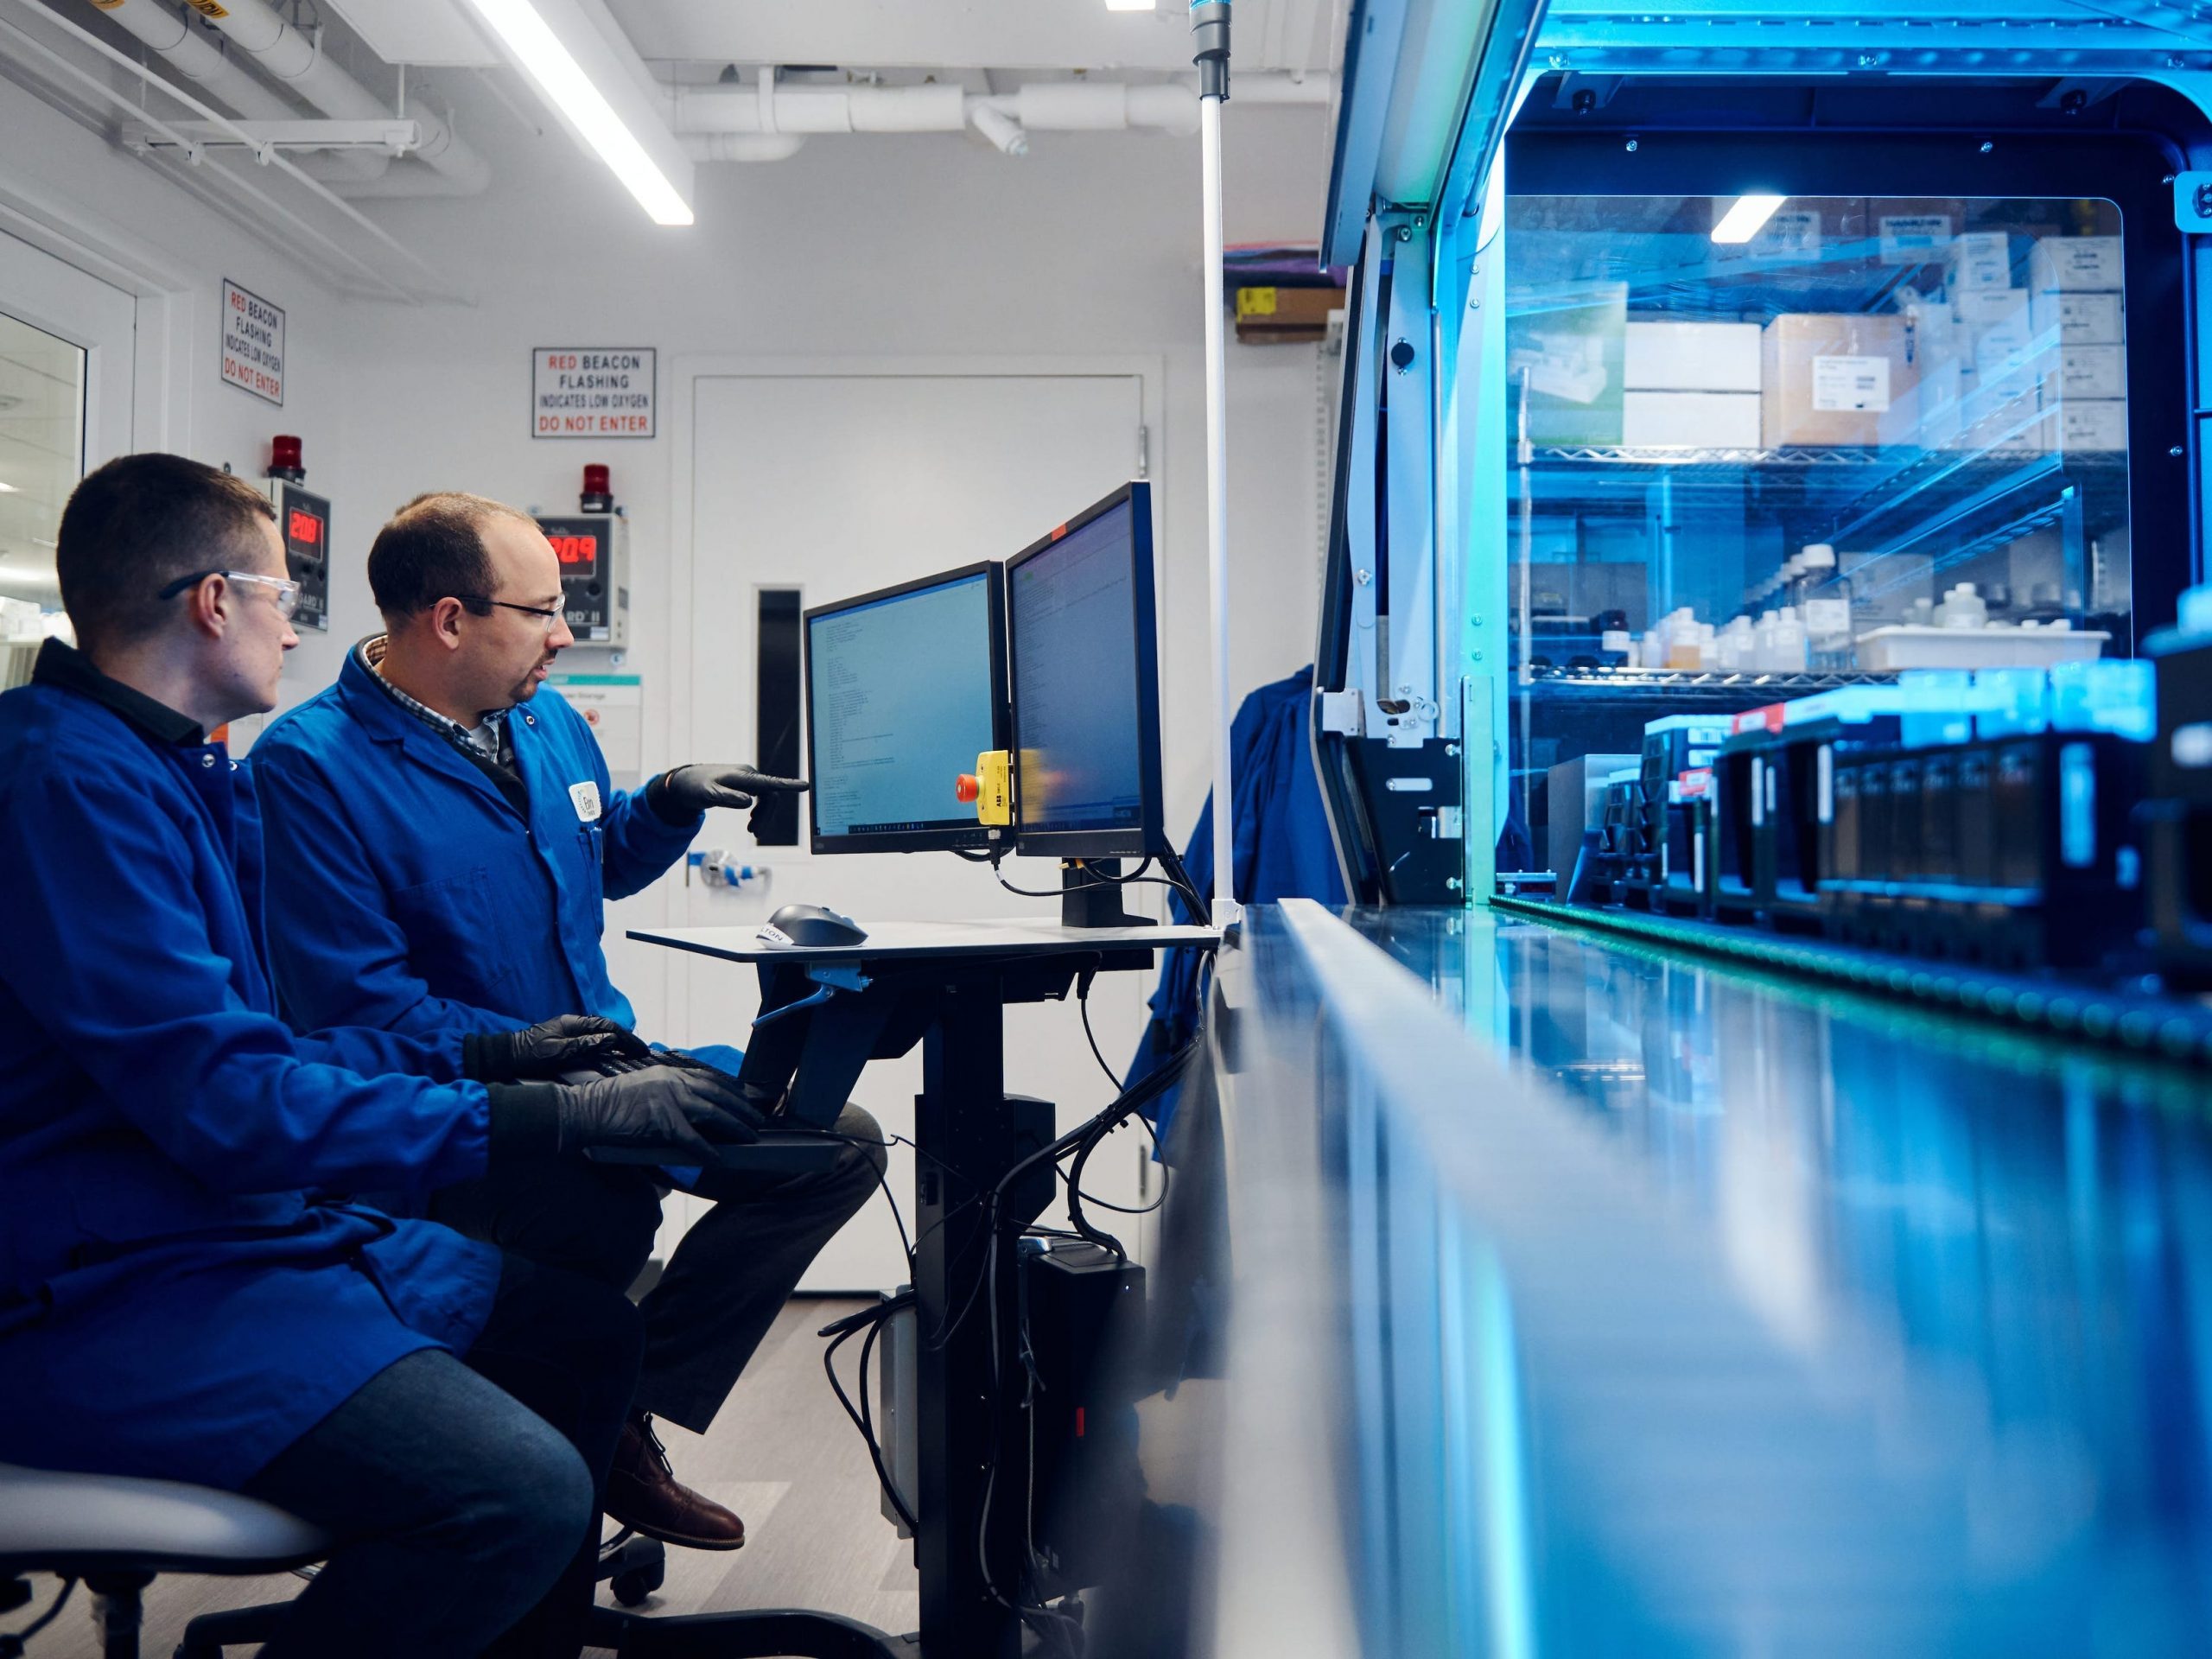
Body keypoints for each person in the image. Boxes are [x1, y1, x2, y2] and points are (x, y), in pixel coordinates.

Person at [0, 454, 762, 1658]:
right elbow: (230, 1100)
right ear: (212, 602)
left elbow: (275, 1042)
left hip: (234, 1226)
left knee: (589, 1333)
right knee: (510, 1494)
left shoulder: (177, 769)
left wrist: (503, 1058)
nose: (296, 624)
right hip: (104, 1284)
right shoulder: (71, 788)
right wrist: (533, 1115)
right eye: (280, 593)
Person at [250, 492, 886, 1551]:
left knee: (830, 1147)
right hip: (465, 1103)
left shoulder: (540, 719)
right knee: (589, 1211)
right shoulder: (308, 768)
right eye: (541, 611)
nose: (562, 635)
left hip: (603, 1055)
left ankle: (628, 1407)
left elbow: (593, 866)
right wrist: (524, 1063)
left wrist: (669, 805)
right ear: (449, 619)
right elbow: (351, 1007)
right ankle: (544, 1492)